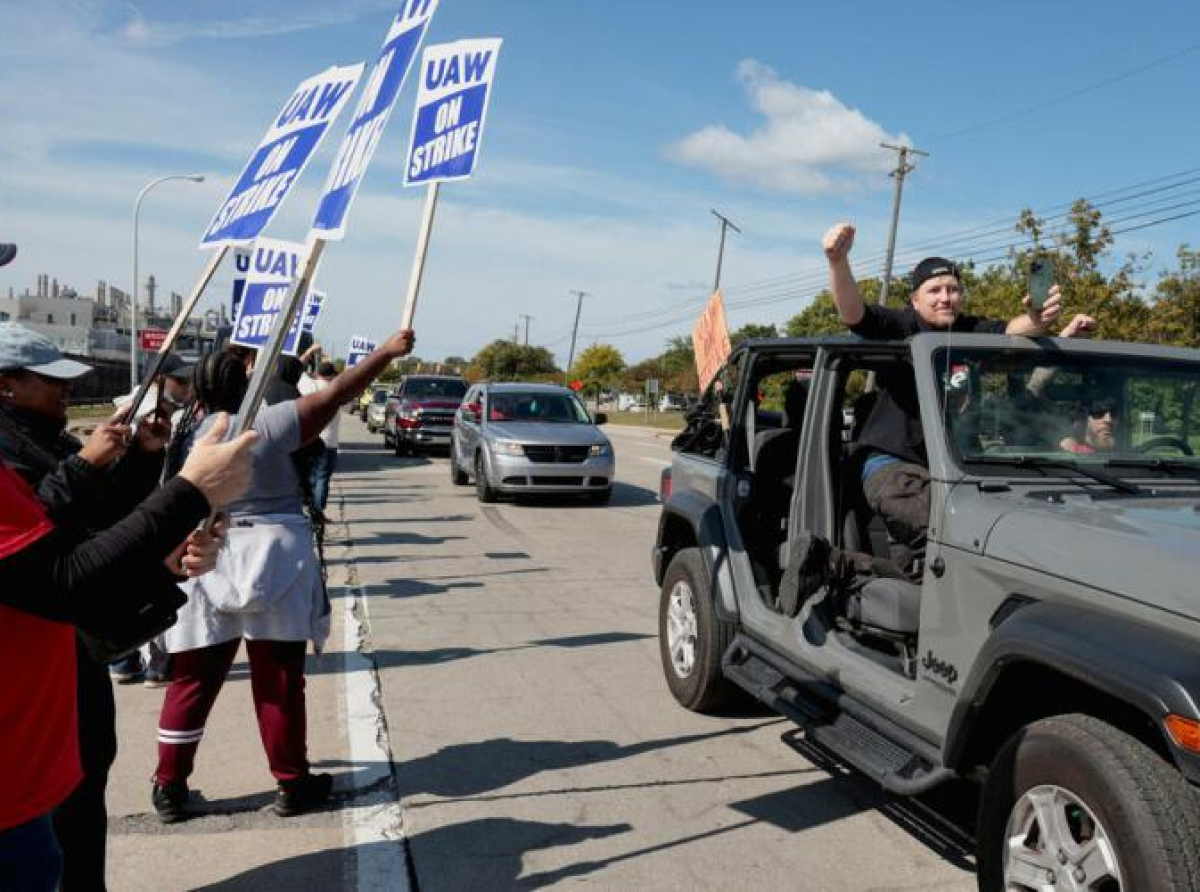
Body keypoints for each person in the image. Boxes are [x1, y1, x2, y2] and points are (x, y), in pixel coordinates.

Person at [152, 329, 415, 823]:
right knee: (278, 679)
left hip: (206, 553)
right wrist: (385, 353)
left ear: (200, 390)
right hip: (277, 553)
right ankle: (291, 782)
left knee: (192, 680)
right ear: (246, 381)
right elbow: (338, 393)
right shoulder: (268, 423)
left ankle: (168, 785)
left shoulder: (189, 434)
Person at [0, 414, 258, 892]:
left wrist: (163, 563)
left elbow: (65, 552)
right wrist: (190, 492)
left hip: (41, 759)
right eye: (43, 378)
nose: (65, 391)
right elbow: (64, 580)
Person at [822, 222, 1096, 576]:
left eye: (952, 289)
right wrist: (838, 262)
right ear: (914, 299)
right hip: (892, 464)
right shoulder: (902, 326)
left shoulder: (968, 331)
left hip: (954, 469)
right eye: (934, 290)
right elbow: (854, 314)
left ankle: (841, 567)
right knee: (959, 536)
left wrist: (1037, 319)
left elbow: (1012, 333)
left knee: (935, 563)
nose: (945, 297)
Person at [299, 361, 341, 514]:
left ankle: (309, 508)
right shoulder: (336, 391)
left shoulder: (309, 387)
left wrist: (310, 352)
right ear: (331, 376)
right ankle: (318, 512)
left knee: (311, 478)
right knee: (323, 478)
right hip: (330, 442)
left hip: (311, 440)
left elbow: (301, 371)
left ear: (318, 374)